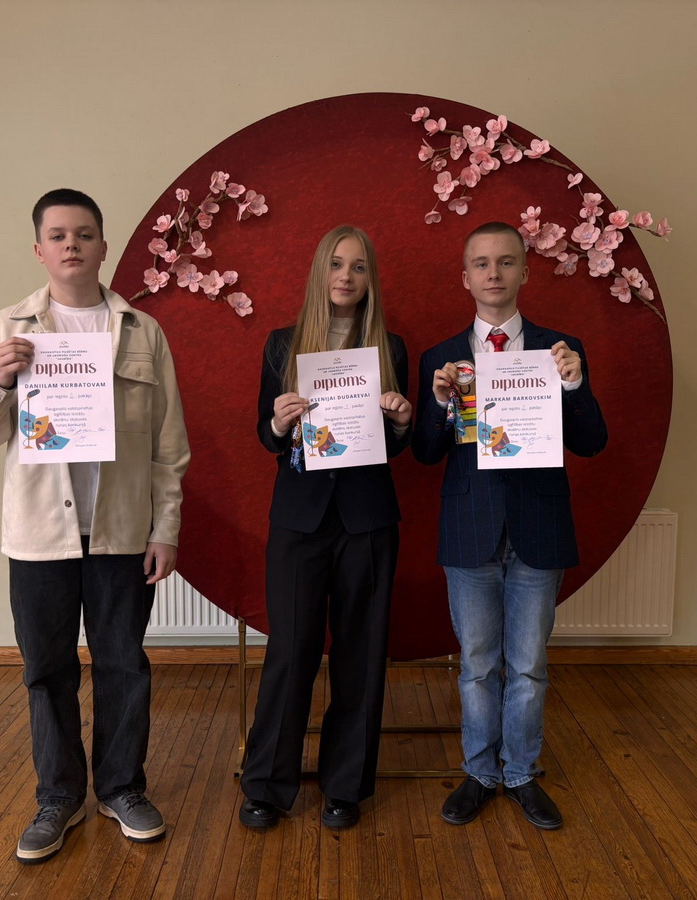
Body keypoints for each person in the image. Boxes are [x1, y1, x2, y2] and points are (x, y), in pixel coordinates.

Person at [0, 189, 190, 862]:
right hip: (39, 535)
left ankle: (122, 789)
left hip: (122, 529)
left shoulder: (142, 331)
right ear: (39, 249)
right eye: (58, 235)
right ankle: (57, 798)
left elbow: (170, 444)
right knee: (47, 670)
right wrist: (0, 381)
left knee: (124, 665)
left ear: (102, 246)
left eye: (84, 234)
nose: (71, 245)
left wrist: (166, 528)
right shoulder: (7, 327)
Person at [412, 221, 607, 831]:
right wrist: (439, 404)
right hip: (469, 528)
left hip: (538, 527)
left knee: (527, 666)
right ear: (465, 277)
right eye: (481, 263)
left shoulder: (559, 350)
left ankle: (520, 773)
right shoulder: (442, 358)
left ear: (525, 270)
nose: (493, 273)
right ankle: (479, 772)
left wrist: (574, 385)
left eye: (504, 262)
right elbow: (424, 454)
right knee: (476, 664)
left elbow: (592, 442)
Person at [238, 225, 412, 830]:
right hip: (300, 519)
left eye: (358, 267)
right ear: (320, 272)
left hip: (368, 519)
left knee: (361, 654)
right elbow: (265, 438)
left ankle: (346, 787)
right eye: (337, 264)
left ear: (370, 280)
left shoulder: (391, 349)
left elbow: (394, 447)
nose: (346, 276)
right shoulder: (281, 346)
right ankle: (266, 784)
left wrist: (401, 420)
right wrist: (279, 423)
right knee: (291, 651)